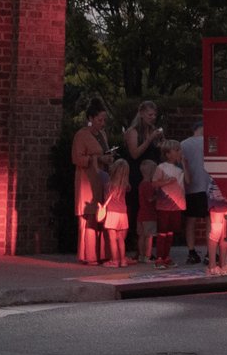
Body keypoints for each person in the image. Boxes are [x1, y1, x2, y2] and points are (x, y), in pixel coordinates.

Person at [71, 98, 114, 264]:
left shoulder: (102, 134)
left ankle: (103, 252)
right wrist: (97, 158)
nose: (102, 123)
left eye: (104, 120)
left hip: (101, 177)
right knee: (90, 215)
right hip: (87, 180)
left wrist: (108, 158)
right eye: (99, 120)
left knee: (101, 215)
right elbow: (77, 158)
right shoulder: (82, 135)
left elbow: (105, 150)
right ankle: (89, 255)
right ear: (90, 118)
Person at [123, 100, 166, 267]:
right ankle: (136, 247)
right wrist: (148, 140)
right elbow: (134, 154)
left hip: (152, 175)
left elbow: (159, 153)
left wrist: (161, 142)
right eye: (150, 114)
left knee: (152, 211)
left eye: (154, 115)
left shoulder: (153, 131)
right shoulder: (133, 132)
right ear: (141, 114)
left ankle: (148, 248)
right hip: (137, 174)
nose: (152, 118)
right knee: (136, 209)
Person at [178, 119, 213, 264]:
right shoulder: (210, 142)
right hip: (208, 185)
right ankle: (210, 252)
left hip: (190, 187)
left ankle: (191, 251)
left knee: (190, 221)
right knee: (209, 221)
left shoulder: (183, 144)